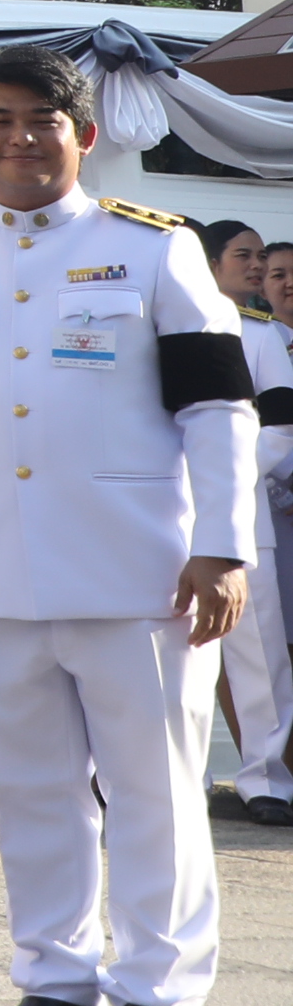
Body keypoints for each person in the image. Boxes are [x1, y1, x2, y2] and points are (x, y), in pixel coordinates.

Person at [0, 45, 254, 1006]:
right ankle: (56, 982)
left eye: (43, 120)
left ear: (83, 136)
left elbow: (215, 405)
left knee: (156, 790)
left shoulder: (154, 250)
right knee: (27, 792)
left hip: (140, 575)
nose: (21, 138)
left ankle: (157, 994)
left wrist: (222, 545)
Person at [216, 220, 293, 828]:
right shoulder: (157, 323)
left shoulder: (260, 336)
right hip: (161, 511)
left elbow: (280, 427)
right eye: (244, 255)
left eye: (260, 256)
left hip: (242, 513)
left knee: (260, 654)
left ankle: (265, 779)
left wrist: (223, 479)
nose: (256, 265)